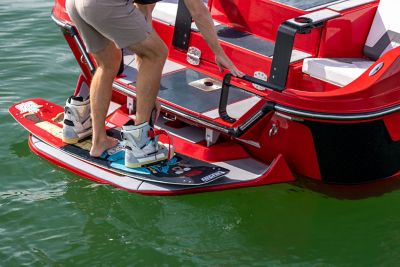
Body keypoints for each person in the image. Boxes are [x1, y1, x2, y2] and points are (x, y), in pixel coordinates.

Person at [62, 0, 244, 168]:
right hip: (101, 5)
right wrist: (218, 52)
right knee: (157, 53)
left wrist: (148, 97)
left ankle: (90, 134)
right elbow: (198, 11)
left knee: (108, 63)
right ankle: (141, 146)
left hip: (76, 3)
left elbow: (142, 24)